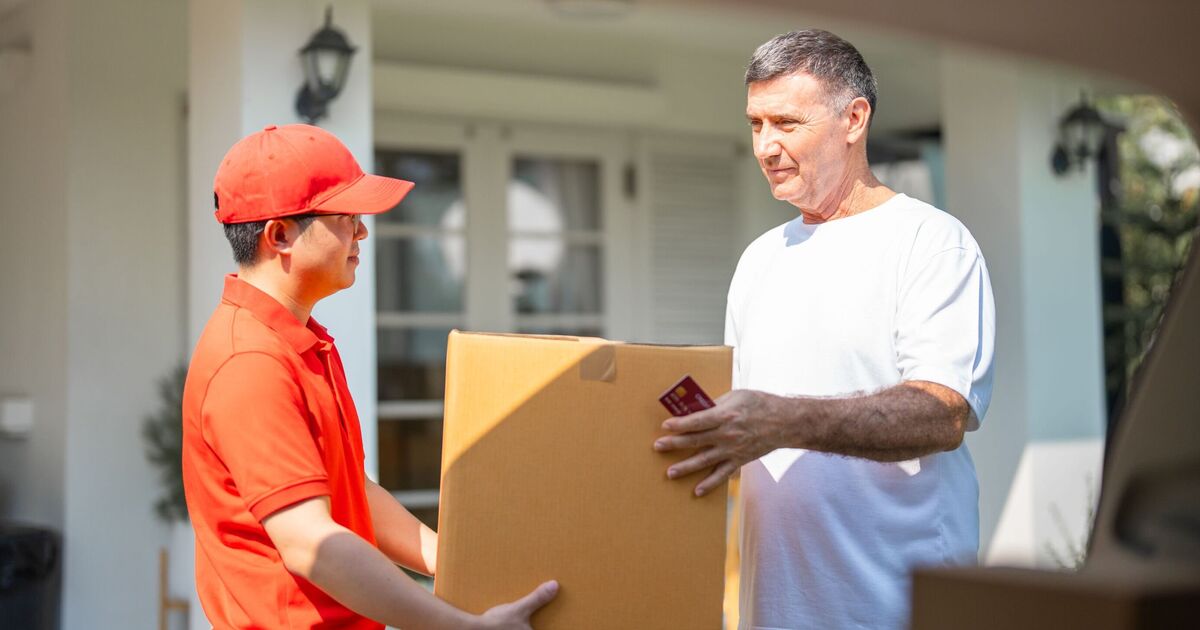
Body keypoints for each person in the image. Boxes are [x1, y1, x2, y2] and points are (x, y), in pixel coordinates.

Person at [654, 30, 995, 630]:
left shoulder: (932, 243)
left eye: (787, 122)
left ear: (853, 119)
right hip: (777, 610)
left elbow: (942, 414)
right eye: (756, 123)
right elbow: (742, 425)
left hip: (895, 608)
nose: (765, 145)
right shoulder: (760, 258)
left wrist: (782, 421)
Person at [182, 124, 557, 630]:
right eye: (346, 217)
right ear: (280, 235)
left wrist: (455, 564)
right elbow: (311, 543)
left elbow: (351, 492)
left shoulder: (300, 339)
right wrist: (462, 627)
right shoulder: (250, 363)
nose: (362, 232)